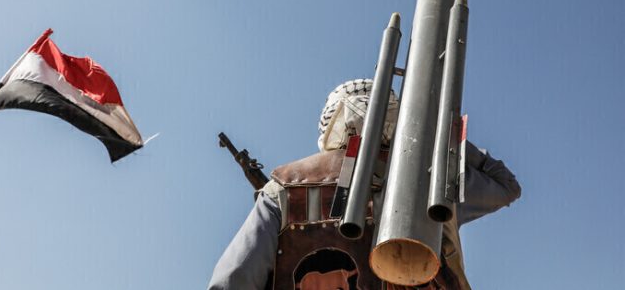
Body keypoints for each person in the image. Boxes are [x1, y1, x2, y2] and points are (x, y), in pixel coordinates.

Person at [208, 79, 521, 290]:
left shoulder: (283, 188)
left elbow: (232, 280)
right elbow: (506, 185)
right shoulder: (432, 180)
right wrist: (442, 138)